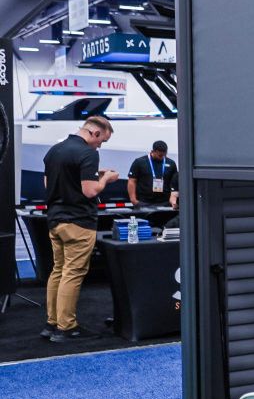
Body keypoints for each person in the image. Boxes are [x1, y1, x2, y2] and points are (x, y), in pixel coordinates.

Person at [41, 115, 119, 343]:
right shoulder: (88, 153)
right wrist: (106, 179)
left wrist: (93, 175)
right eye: (101, 140)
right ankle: (67, 327)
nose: (100, 146)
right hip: (79, 221)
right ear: (95, 133)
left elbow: (48, 183)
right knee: (73, 273)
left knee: (58, 271)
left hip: (55, 219)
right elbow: (90, 191)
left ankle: (52, 323)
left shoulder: (55, 150)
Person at [127, 140, 178, 205]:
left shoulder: (171, 163)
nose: (163, 157)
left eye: (164, 155)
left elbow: (174, 183)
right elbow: (132, 180)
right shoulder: (140, 162)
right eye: (160, 155)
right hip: (143, 201)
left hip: (165, 202)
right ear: (152, 151)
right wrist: (133, 200)